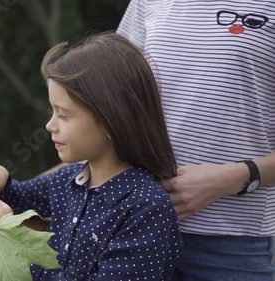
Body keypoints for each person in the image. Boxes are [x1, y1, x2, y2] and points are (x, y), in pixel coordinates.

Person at [0, 32, 182, 280]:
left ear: (112, 121)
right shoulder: (68, 179)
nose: (50, 125)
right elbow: (19, 199)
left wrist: (16, 244)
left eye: (63, 115)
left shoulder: (146, 210)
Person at [116, 0, 275, 280]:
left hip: (233, 248)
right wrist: (25, 190)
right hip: (133, 229)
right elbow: (108, 108)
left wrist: (235, 178)